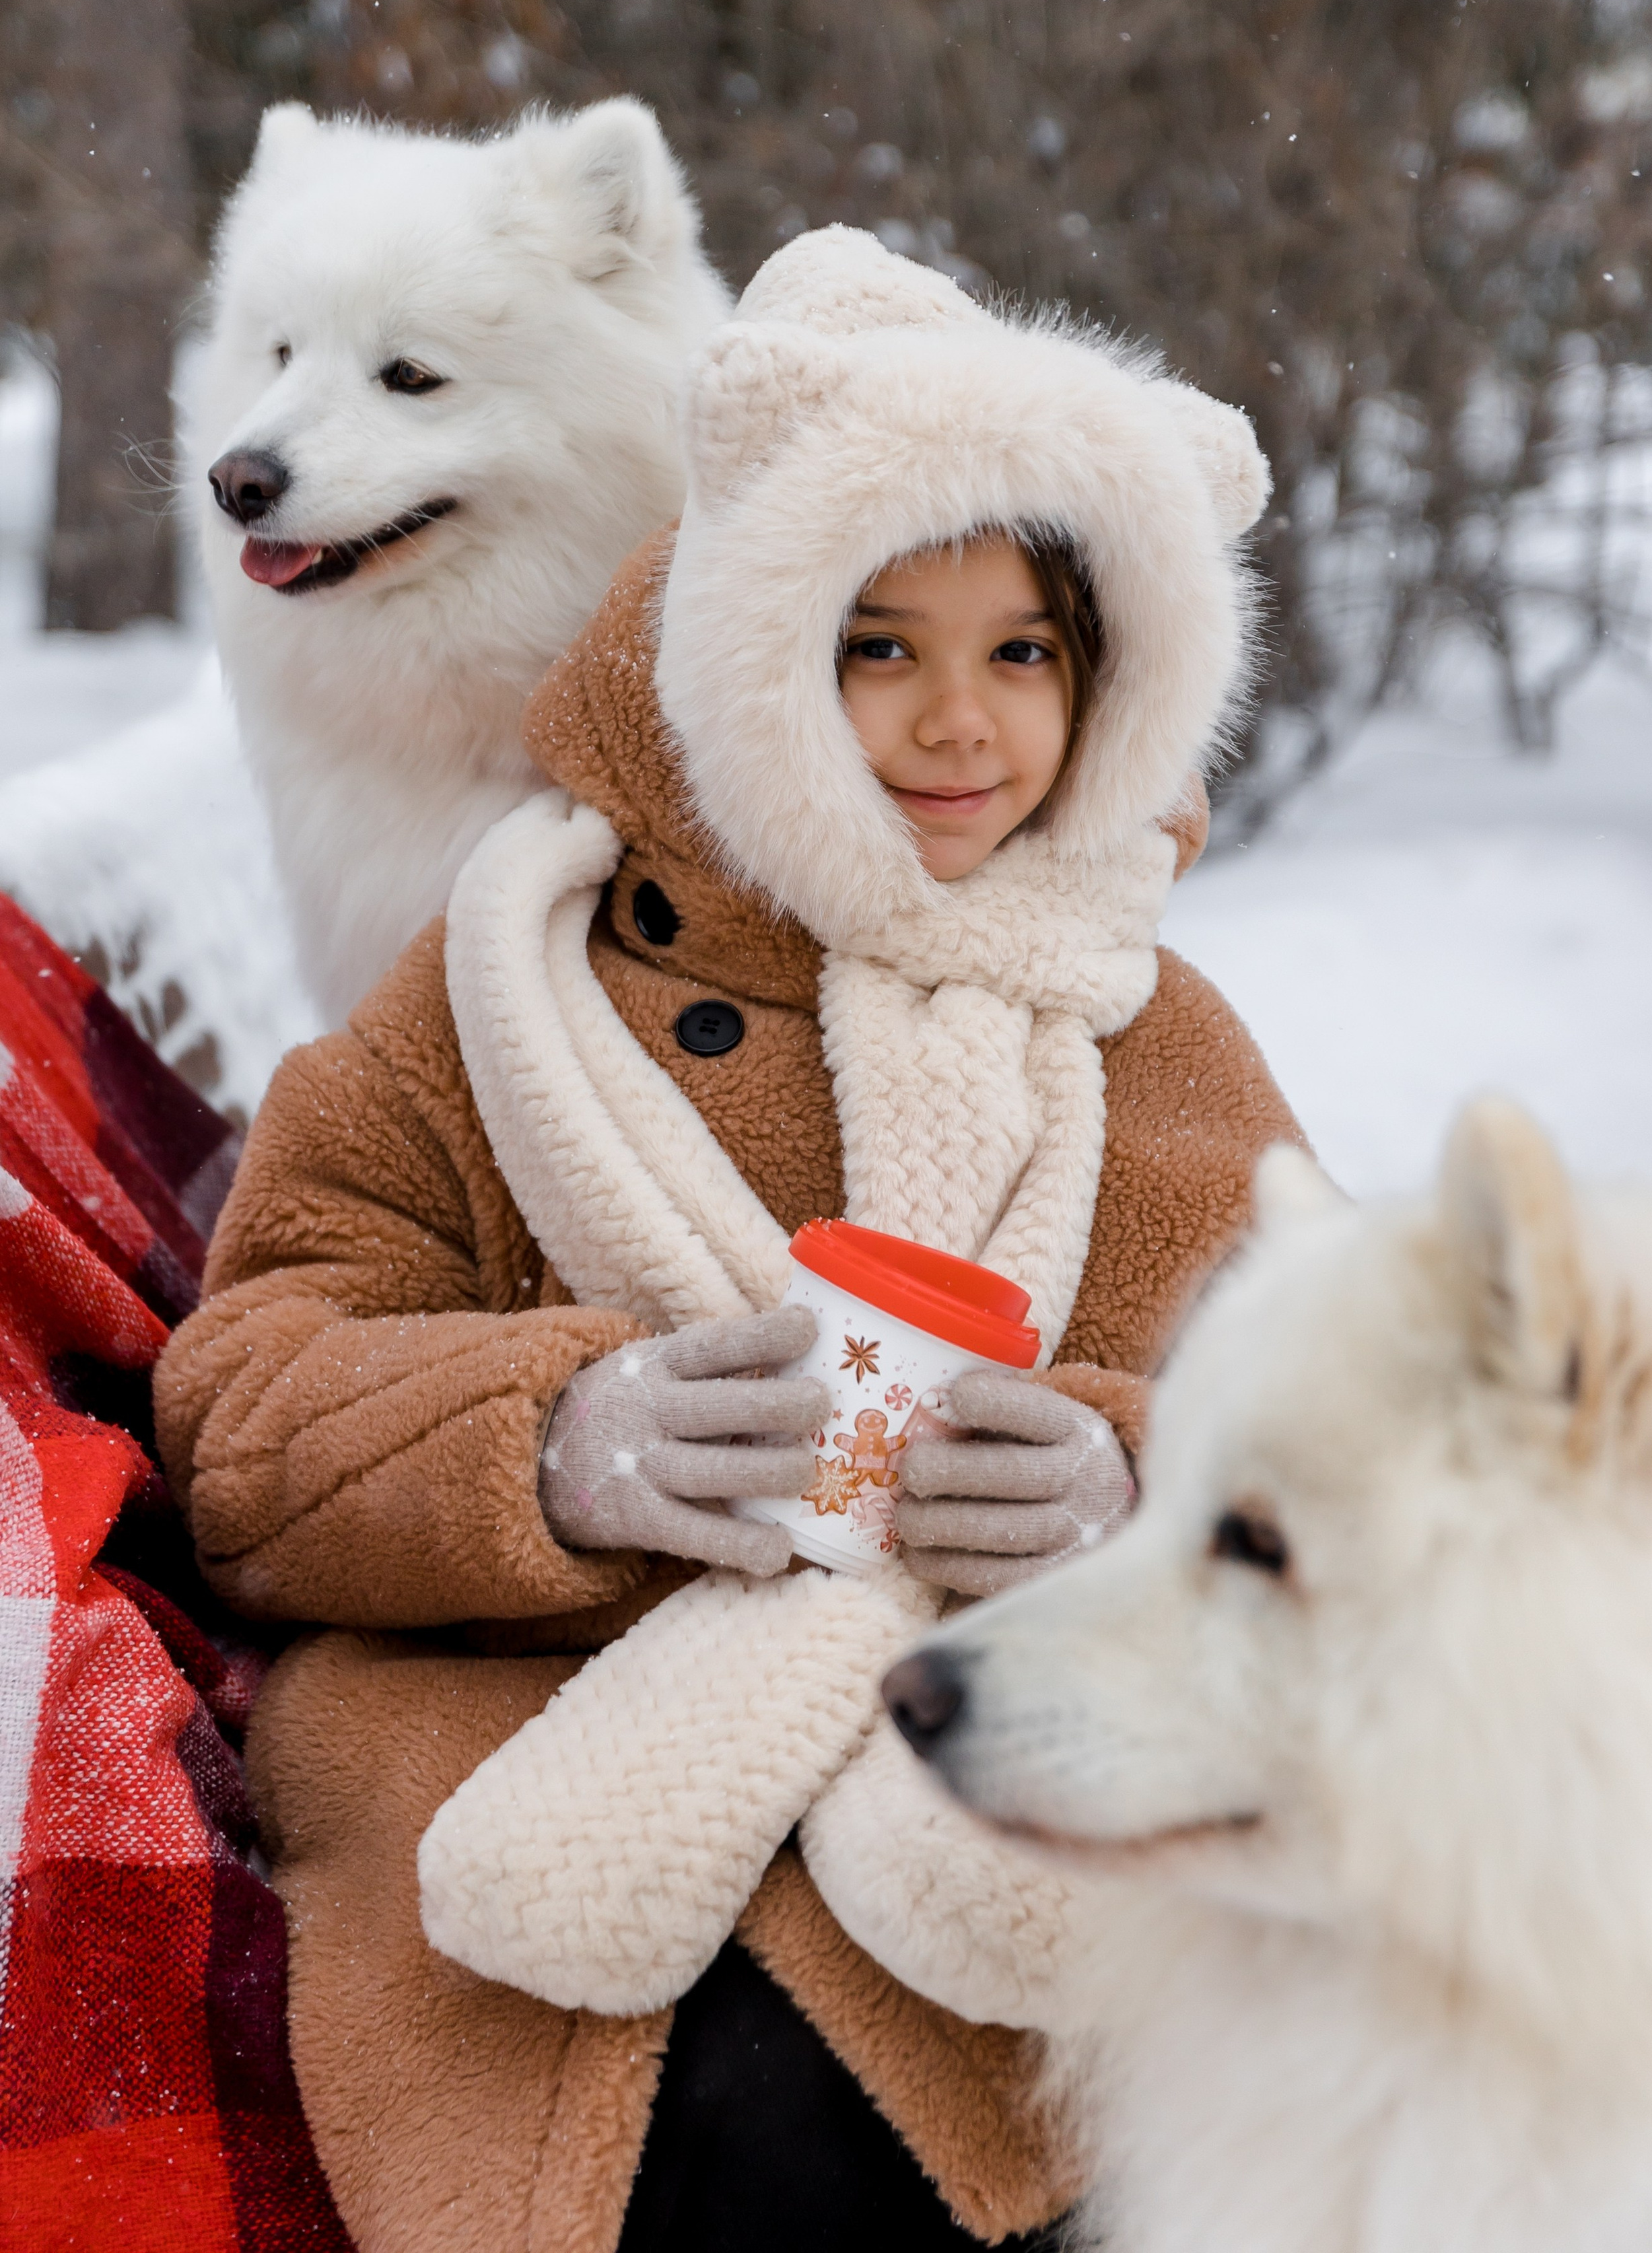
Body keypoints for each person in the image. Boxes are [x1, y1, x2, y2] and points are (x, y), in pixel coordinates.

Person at [154, 226, 1306, 2253]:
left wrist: (1130, 1477)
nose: (959, 724)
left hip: (961, 1726)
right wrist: (555, 1445)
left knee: (949, 2109)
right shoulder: (512, 979)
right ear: (747, 645)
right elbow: (244, 1416)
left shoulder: (1150, 1039)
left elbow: (1327, 1430)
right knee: (700, 2125)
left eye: (1022, 650)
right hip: (520, 1724)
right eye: (878, 643)